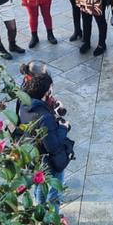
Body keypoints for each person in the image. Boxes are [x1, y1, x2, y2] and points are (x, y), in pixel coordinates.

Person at [16, 62, 74, 204]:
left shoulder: (24, 99)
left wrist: (54, 109)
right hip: (47, 158)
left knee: (38, 182)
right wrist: (64, 127)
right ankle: (49, 217)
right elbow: (52, 146)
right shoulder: (44, 117)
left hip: (32, 151)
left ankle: (38, 207)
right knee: (53, 188)